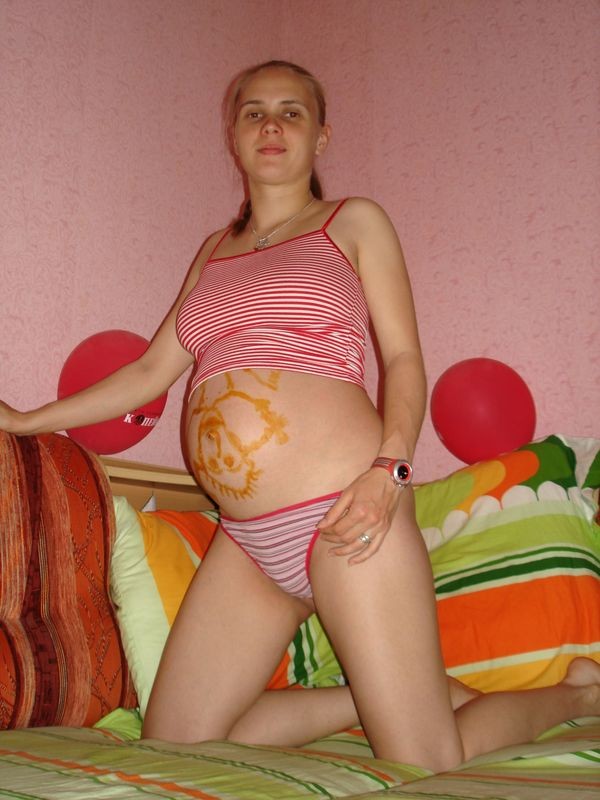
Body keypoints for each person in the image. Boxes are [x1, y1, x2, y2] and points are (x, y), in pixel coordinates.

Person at [2, 60, 599, 772]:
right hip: (249, 542)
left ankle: (573, 694)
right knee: (174, 741)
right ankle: (369, 699)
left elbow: (403, 358)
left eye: (292, 112)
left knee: (428, 759)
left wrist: (390, 471)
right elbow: (148, 373)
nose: (272, 125)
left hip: (348, 510)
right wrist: (26, 420)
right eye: (254, 112)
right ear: (234, 135)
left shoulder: (353, 221)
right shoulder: (212, 253)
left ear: (321, 137)